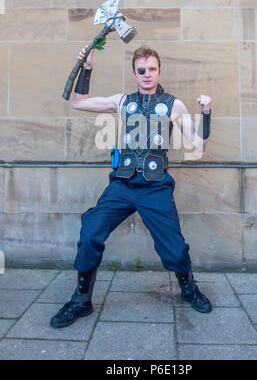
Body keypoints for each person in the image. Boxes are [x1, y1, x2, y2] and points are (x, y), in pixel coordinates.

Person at [50, 45, 212, 328]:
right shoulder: (123, 100)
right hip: (122, 185)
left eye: (152, 69)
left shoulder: (175, 105)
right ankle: (81, 301)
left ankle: (189, 289)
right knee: (90, 232)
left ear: (159, 71)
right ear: (134, 73)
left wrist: (206, 113)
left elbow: (199, 145)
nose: (147, 74)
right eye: (141, 70)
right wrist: (87, 68)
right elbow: (79, 102)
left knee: (174, 248)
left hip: (155, 187)